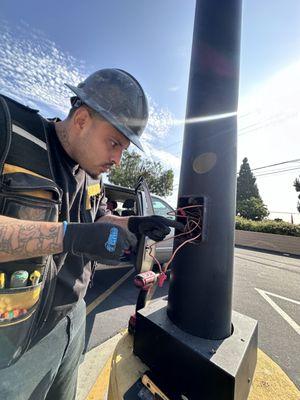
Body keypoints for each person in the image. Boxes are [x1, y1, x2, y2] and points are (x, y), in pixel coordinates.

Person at [0, 68, 182, 400]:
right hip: (10, 348)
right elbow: (81, 233)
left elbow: (100, 218)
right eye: (114, 143)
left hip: (72, 322)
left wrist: (134, 224)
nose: (117, 158)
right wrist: (72, 237)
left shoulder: (90, 174)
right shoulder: (10, 130)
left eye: (123, 149)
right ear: (82, 119)